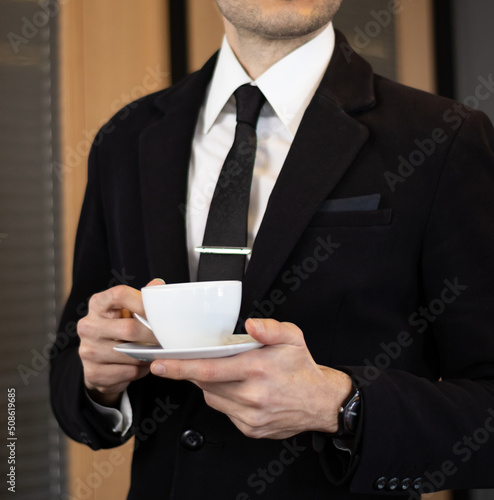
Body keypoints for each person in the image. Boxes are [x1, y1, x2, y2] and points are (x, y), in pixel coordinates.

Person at [50, 1, 494, 498]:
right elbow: (71, 363)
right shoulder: (124, 139)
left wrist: (341, 407)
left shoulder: (444, 138)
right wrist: (97, 380)